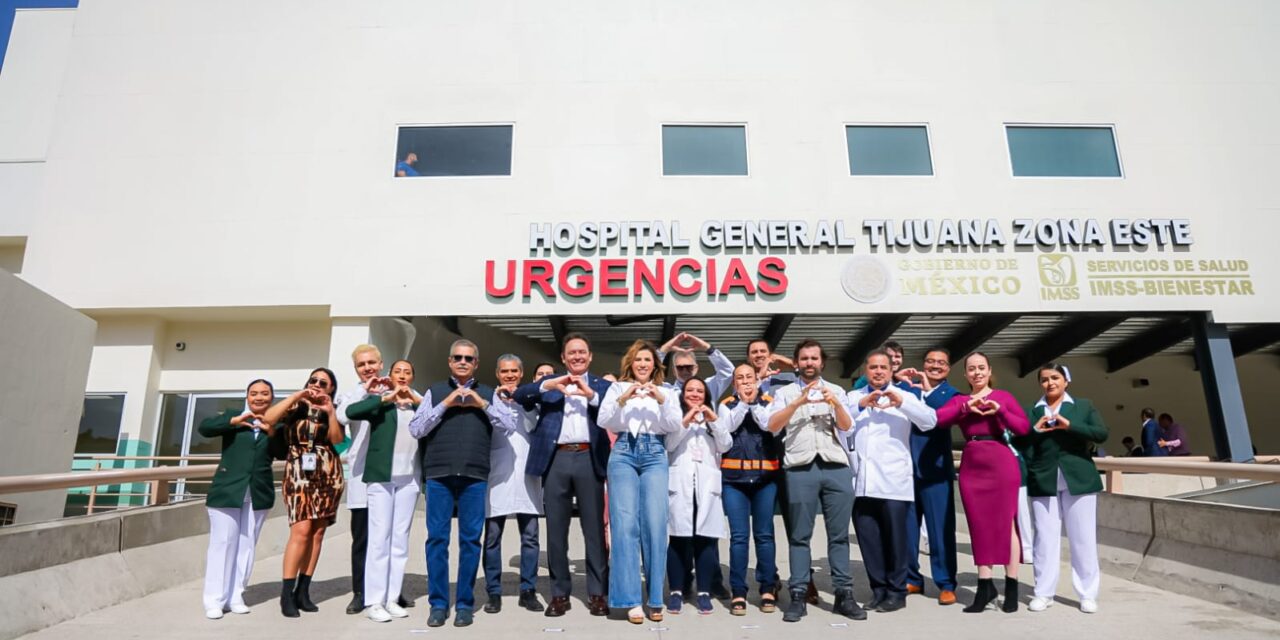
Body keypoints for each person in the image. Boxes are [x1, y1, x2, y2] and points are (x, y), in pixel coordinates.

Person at [409, 340, 518, 628]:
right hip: (439, 475)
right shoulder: (435, 391)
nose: (462, 361)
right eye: (457, 357)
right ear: (449, 361)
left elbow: (509, 426)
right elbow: (416, 428)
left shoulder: (488, 393)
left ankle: (465, 605)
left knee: (470, 542)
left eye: (468, 358)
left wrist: (480, 404)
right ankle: (439, 604)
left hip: (474, 475)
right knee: (437, 541)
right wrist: (445, 404)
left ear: (476, 363)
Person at [761, 339, 865, 623]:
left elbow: (847, 426)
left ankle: (844, 593)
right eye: (804, 359)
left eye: (814, 358)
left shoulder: (838, 390)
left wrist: (833, 402)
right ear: (796, 363)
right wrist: (798, 402)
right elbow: (772, 426)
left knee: (839, 535)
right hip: (800, 467)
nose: (809, 363)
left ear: (822, 362)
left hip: (835, 466)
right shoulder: (785, 393)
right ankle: (798, 594)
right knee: (799, 535)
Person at [515, 332, 614, 618]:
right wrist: (548, 383)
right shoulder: (552, 384)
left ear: (590, 356)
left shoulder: (601, 386)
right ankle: (559, 594)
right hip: (556, 458)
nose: (577, 356)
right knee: (556, 531)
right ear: (563, 358)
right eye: (572, 353)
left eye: (582, 352)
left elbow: (611, 405)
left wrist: (590, 394)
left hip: (588, 457)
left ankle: (598, 593)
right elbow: (521, 394)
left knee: (594, 530)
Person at [934, 352, 1031, 613]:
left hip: (1001, 460)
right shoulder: (960, 400)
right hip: (973, 463)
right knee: (979, 525)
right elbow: (940, 418)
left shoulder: (1003, 397)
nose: (977, 372)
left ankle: (1011, 585)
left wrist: (1002, 412)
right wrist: (966, 407)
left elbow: (1023, 428)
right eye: (971, 369)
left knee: (1007, 523)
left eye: (981, 368)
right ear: (965, 374)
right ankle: (985, 584)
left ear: (989, 371)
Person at [843, 350, 938, 613]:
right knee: (869, 540)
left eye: (883, 367)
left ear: (891, 369)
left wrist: (902, 403)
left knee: (896, 540)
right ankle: (879, 589)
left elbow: (930, 421)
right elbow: (841, 420)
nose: (878, 372)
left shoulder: (906, 396)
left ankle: (897, 591)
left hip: (894, 483)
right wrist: (863, 403)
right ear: (866, 370)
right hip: (862, 482)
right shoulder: (854, 397)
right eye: (873, 367)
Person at [597, 340, 682, 623]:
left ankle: (655, 597)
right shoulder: (617, 388)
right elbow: (604, 420)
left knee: (656, 524)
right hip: (623, 451)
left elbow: (674, 426)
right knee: (624, 525)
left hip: (654, 452)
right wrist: (625, 398)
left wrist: (660, 399)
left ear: (655, 365)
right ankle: (631, 600)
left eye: (647, 360)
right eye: (638, 360)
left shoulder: (667, 391)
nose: (643, 364)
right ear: (630, 364)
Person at [1022, 363, 1108, 614]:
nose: (1050, 383)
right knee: (1044, 540)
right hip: (1044, 479)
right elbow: (1021, 441)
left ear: (1066, 381)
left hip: (1078, 479)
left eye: (1055, 378)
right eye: (1045, 379)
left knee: (1083, 539)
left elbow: (1101, 434)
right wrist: (1034, 431)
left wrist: (1070, 425)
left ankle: (1087, 593)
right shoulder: (1032, 410)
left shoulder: (1083, 406)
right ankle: (1043, 592)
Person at [262, 368, 347, 618]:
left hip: (328, 472)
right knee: (300, 530)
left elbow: (337, 438)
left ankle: (303, 590)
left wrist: (330, 412)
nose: (318, 385)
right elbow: (269, 418)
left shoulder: (332, 408)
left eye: (324, 382)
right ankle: (286, 594)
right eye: (314, 380)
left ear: (332, 388)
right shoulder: (295, 407)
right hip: (299, 471)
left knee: (317, 532)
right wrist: (299, 395)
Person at [335, 344, 413, 615]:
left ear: (381, 364)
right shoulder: (353, 394)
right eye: (361, 364)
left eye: (371, 363)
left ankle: (392, 591)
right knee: (364, 538)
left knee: (393, 534)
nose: (367, 368)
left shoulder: (399, 392)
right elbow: (343, 415)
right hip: (361, 474)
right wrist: (366, 392)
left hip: (396, 474)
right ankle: (362, 593)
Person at [199, 379, 276, 619]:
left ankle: (235, 595)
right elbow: (205, 428)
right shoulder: (233, 416)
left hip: (258, 490)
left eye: (265, 394)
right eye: (254, 393)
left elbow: (284, 449)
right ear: (247, 396)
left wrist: (270, 431)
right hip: (228, 489)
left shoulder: (276, 422)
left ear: (271, 398)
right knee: (223, 544)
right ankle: (214, 599)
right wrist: (233, 422)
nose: (259, 398)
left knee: (246, 545)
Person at [482, 355, 546, 614]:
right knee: (493, 538)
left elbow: (534, 426)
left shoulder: (530, 401)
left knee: (530, 536)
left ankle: (528, 590)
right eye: (504, 371)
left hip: (527, 477)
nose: (509, 375)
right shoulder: (488, 400)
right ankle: (493, 592)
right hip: (497, 476)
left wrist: (522, 400)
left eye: (514, 371)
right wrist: (497, 401)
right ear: (497, 374)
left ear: (521, 374)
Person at [896, 347, 960, 605]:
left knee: (940, 529)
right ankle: (913, 577)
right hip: (906, 471)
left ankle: (945, 583)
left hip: (936, 472)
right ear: (923, 364)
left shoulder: (952, 395)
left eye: (941, 363)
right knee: (908, 529)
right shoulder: (908, 390)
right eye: (930, 361)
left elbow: (936, 418)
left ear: (948, 368)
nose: (935, 366)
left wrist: (926, 392)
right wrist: (896, 377)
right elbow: (871, 386)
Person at [666, 377, 733, 616]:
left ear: (706, 396)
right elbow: (670, 444)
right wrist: (686, 419)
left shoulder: (713, 420)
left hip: (706, 486)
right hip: (680, 484)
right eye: (690, 390)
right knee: (678, 539)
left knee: (705, 540)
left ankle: (704, 592)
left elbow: (725, 445)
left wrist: (713, 421)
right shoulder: (674, 416)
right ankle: (676, 591)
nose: (695, 394)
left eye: (700, 391)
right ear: (683, 394)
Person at [719, 363, 782, 615]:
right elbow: (729, 429)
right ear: (734, 383)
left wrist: (754, 403)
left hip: (765, 478)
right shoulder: (726, 405)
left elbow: (769, 426)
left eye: (749, 377)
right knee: (739, 537)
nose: (745, 382)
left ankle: (768, 586)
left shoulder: (770, 402)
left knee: (764, 535)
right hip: (734, 480)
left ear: (758, 379)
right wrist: (744, 404)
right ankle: (738, 590)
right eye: (740, 378)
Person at [659, 331, 735, 401]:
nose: (685, 371)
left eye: (689, 367)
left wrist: (707, 348)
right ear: (674, 371)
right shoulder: (666, 390)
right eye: (680, 368)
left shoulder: (708, 388)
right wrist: (664, 349)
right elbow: (648, 376)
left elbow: (729, 372)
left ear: (696, 368)